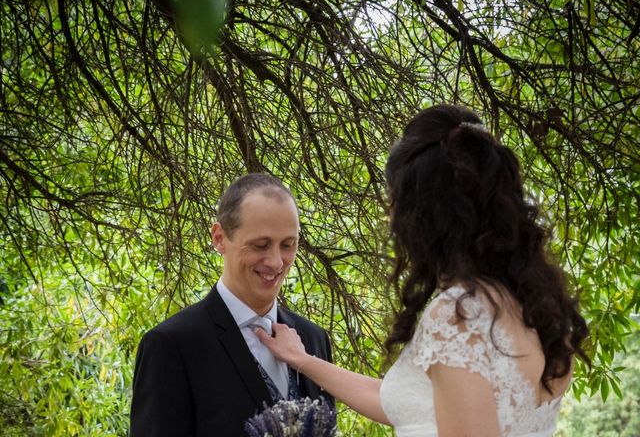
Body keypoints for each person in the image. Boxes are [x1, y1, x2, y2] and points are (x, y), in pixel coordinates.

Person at [257, 105, 590, 436]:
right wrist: (302, 360)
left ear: (423, 213)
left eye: (395, 202)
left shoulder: (458, 316)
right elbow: (410, 405)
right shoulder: (538, 310)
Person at [130, 174, 334, 436]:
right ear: (219, 238)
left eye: (288, 245)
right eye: (260, 245)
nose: (275, 262)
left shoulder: (314, 339)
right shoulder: (172, 346)